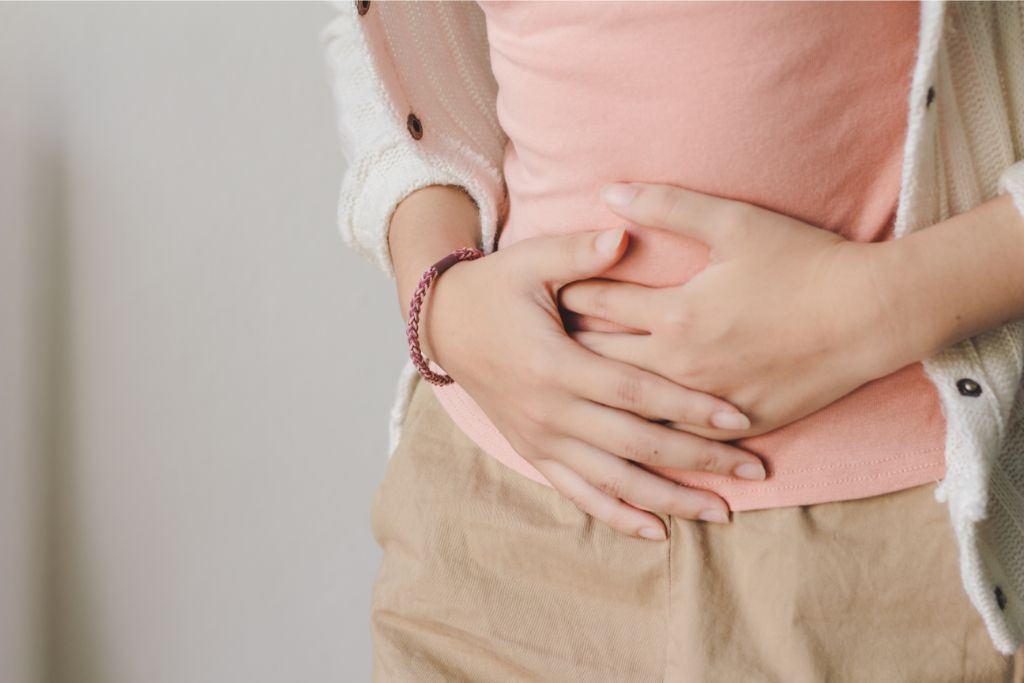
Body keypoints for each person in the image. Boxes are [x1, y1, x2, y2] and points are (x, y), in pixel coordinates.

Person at [320, 1, 1024, 680]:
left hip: (904, 550)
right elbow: (383, 39)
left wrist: (879, 306)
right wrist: (441, 296)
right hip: (494, 535)